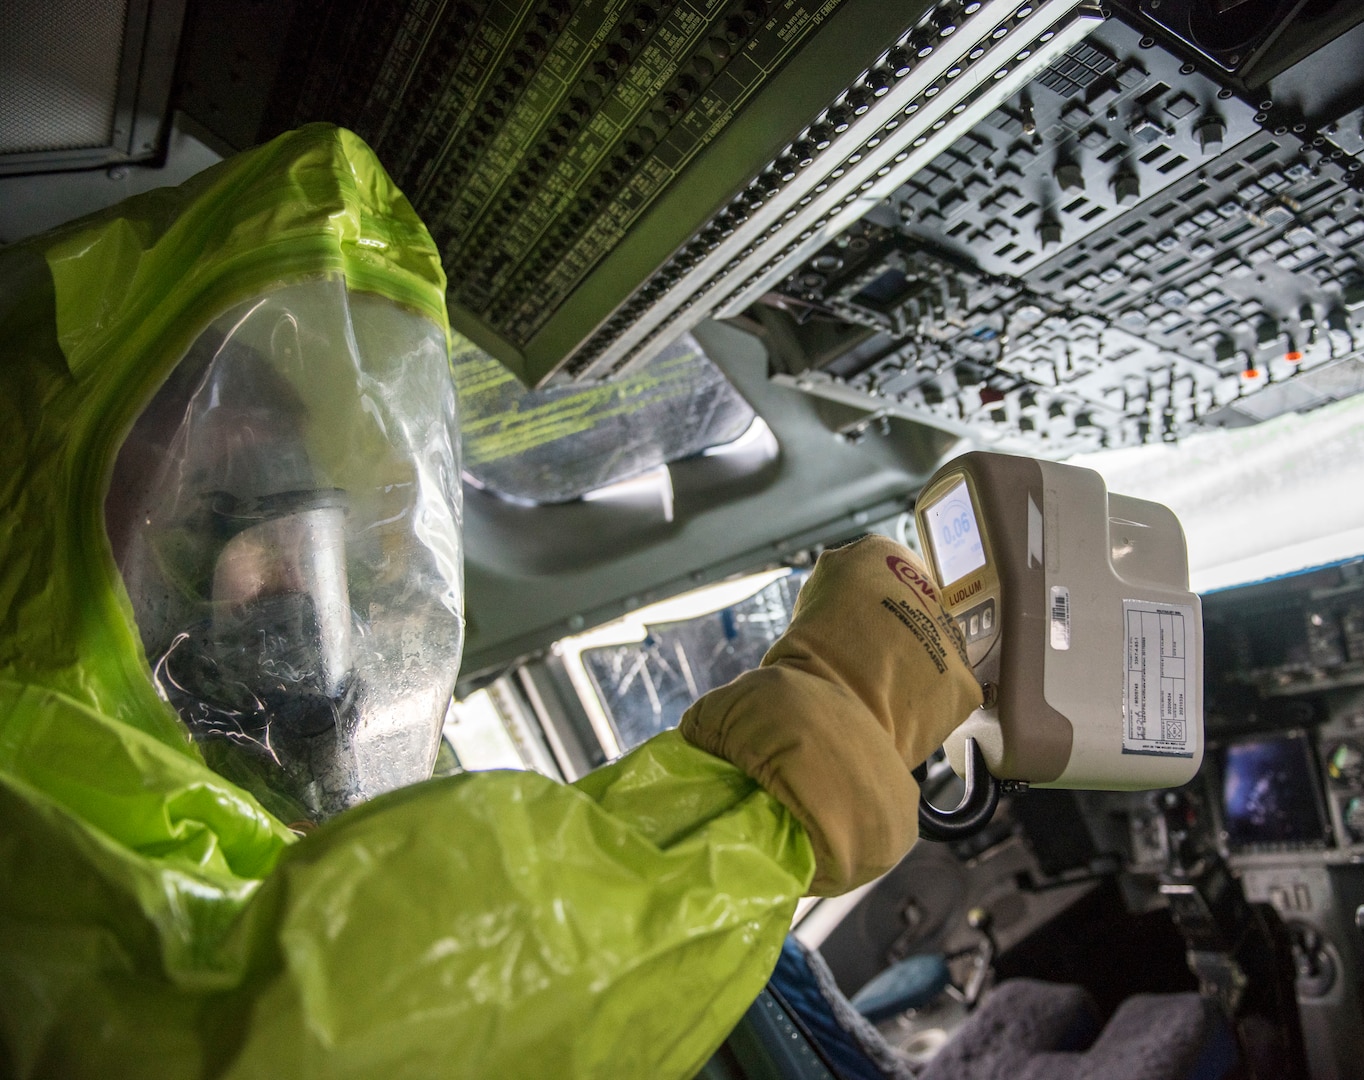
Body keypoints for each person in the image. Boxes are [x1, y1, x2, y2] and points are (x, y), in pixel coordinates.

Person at [0, 123, 980, 1079]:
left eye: (308, 518)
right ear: (51, 539)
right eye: (208, 521)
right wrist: (816, 747)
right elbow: (304, 1023)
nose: (296, 585)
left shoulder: (295, 774)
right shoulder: (35, 803)